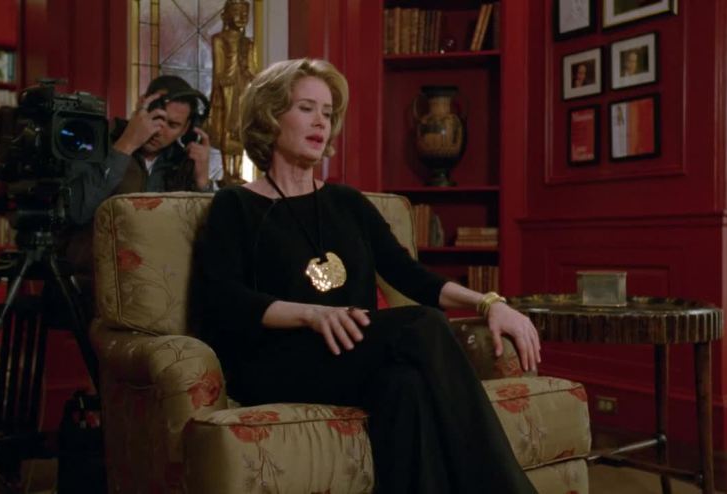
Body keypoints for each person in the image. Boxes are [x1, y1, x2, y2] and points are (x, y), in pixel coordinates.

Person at [199, 58, 541, 493]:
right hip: (276, 360)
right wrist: (311, 314)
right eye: (306, 108)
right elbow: (223, 299)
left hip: (352, 353)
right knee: (421, 323)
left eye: (327, 113)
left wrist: (490, 303)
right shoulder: (234, 206)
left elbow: (411, 275)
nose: (321, 122)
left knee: (406, 386)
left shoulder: (348, 203)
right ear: (270, 117)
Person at [64, 74, 213, 314]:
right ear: (142, 105)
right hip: (91, 286)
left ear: (186, 130)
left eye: (173, 125)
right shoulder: (98, 140)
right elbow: (77, 210)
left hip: (158, 289)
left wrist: (202, 181)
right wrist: (126, 145)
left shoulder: (184, 163)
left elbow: (205, 237)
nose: (159, 131)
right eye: (157, 119)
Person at [206, 0, 257, 185]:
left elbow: (252, 70)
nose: (242, 17)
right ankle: (227, 171)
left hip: (243, 89)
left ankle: (237, 171)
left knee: (241, 127)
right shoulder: (219, 39)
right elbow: (219, 71)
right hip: (226, 90)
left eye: (245, 13)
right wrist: (218, 92)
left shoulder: (248, 43)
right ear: (225, 15)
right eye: (237, 12)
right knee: (227, 126)